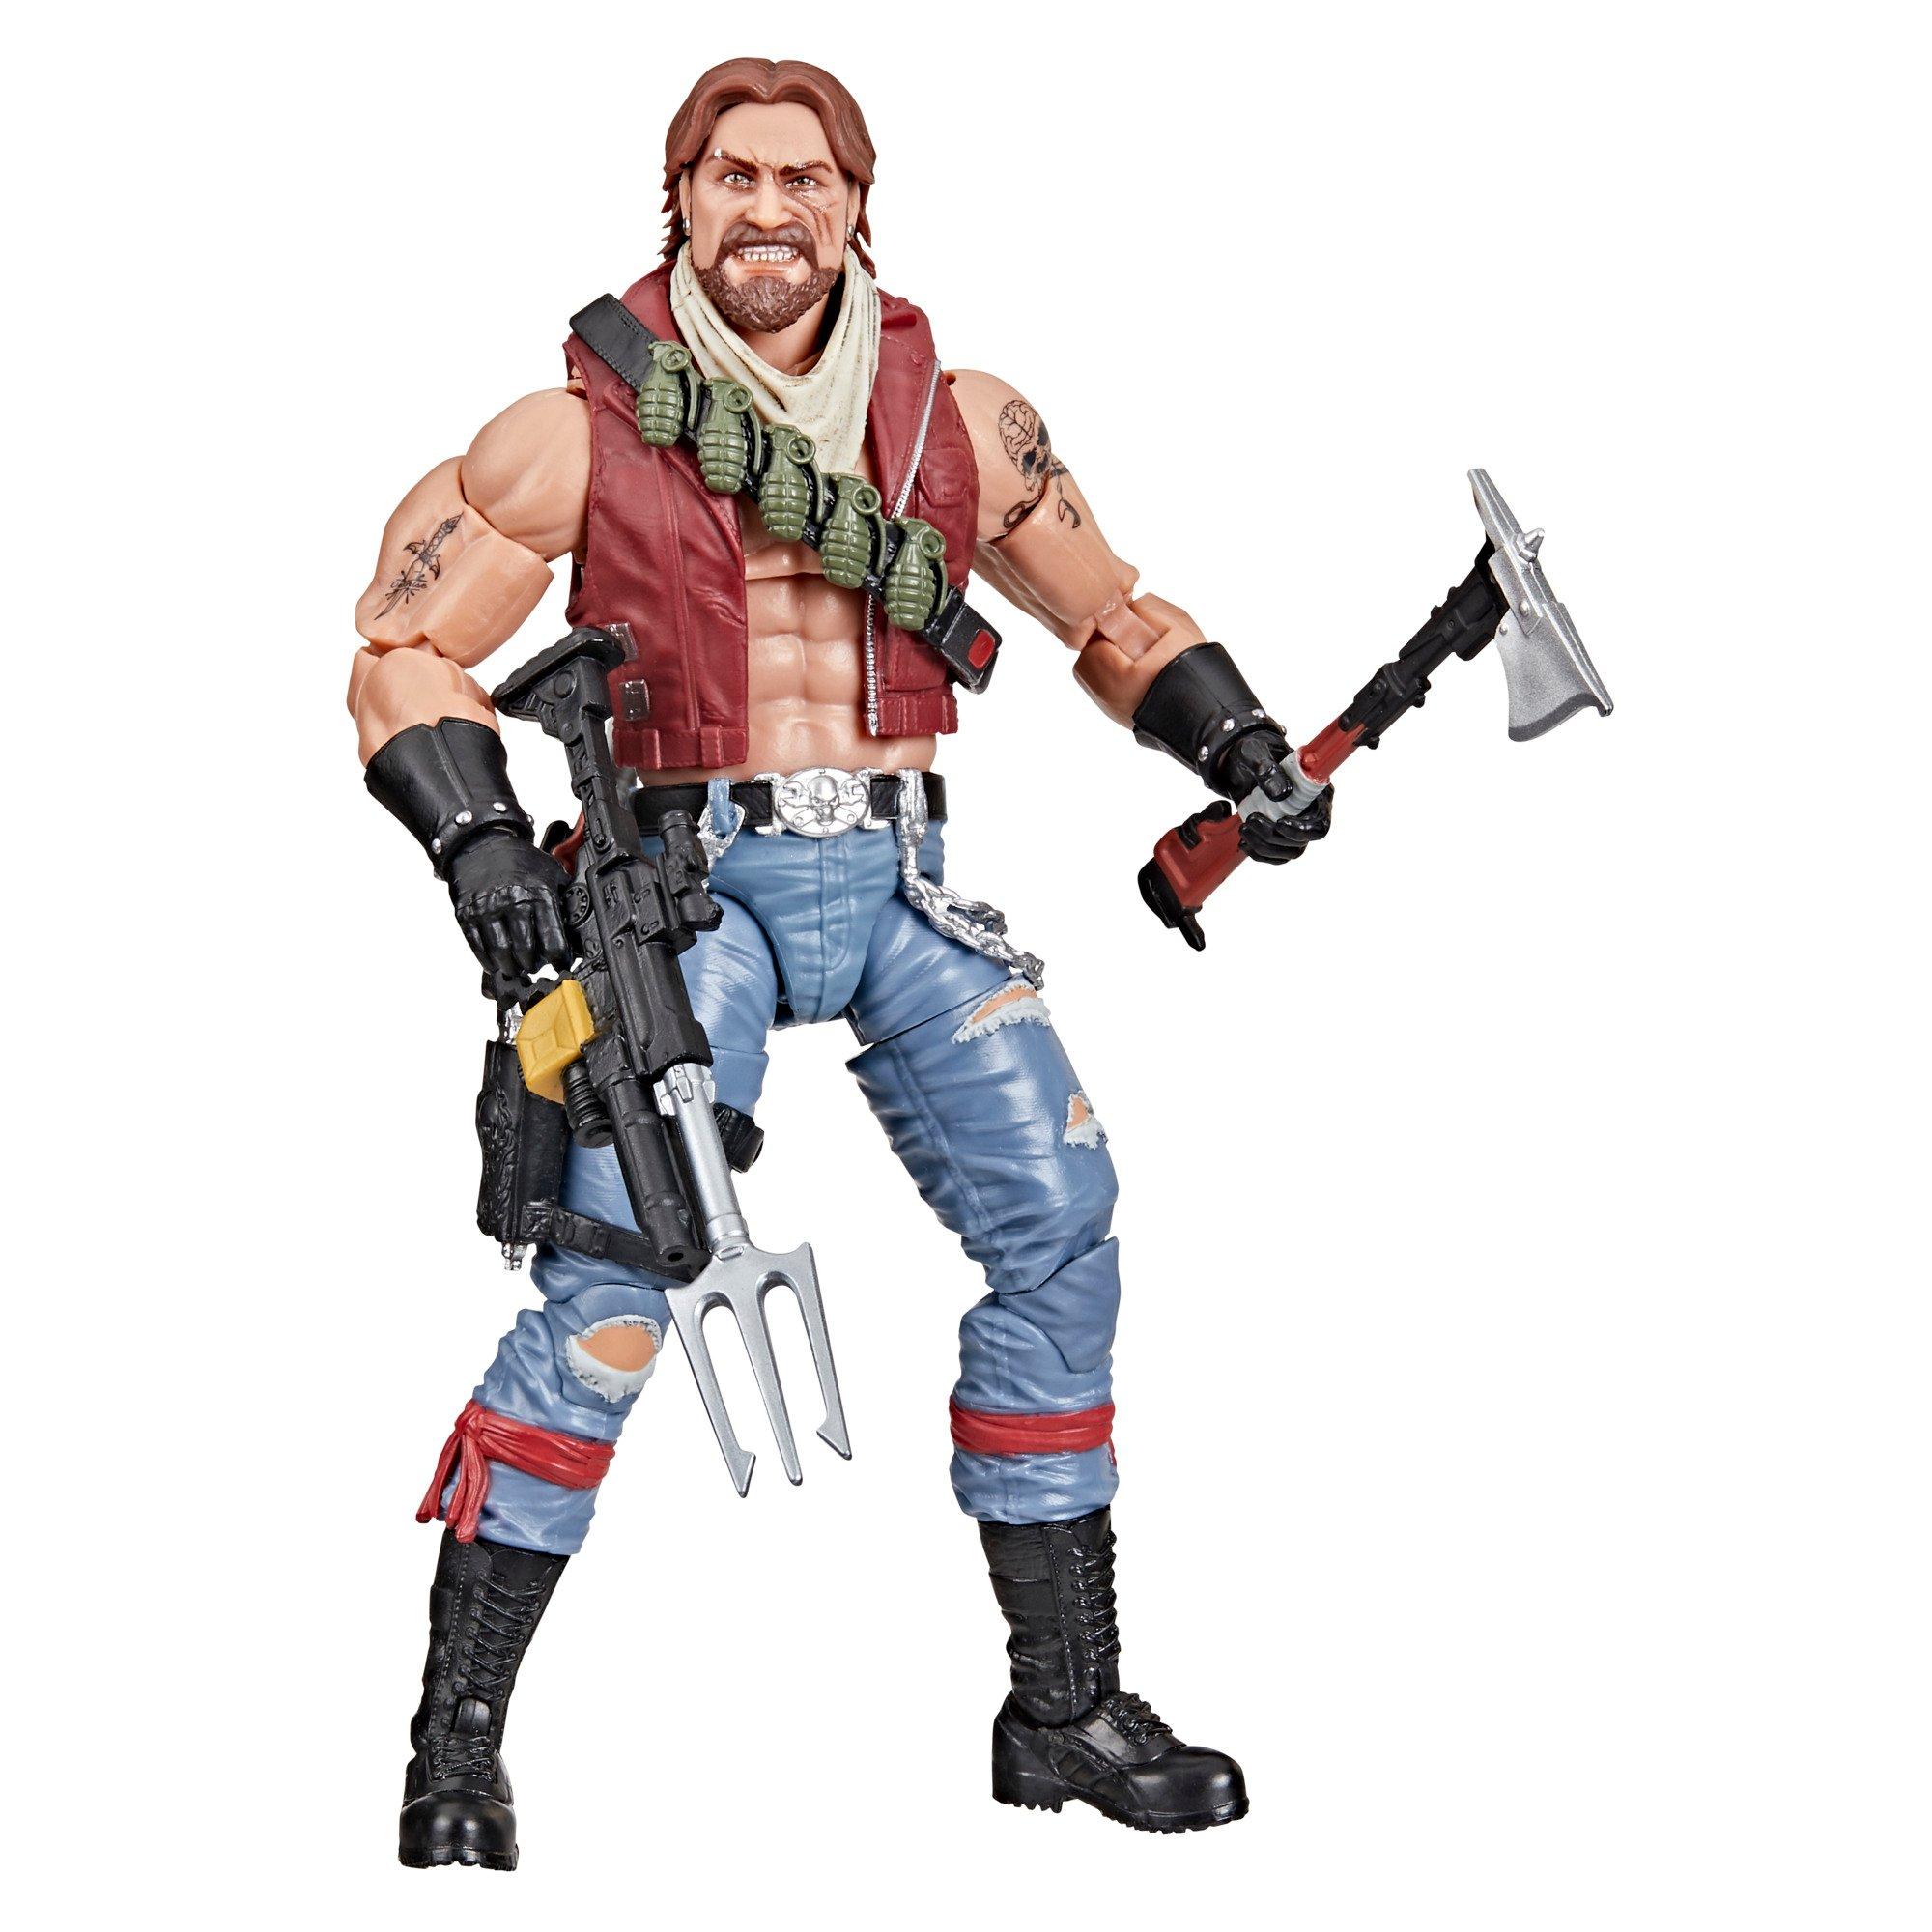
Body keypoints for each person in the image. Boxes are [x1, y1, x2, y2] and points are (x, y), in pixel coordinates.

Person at [353, 57, 1329, 1869]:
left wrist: (1238, 743)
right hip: (686, 895)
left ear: (857, 204)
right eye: (732, 175)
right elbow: (401, 647)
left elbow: (1109, 614)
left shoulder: (964, 420)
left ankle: (1064, 1708)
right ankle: (457, 1739)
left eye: (803, 178)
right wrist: (479, 841)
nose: (768, 210)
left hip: (894, 882)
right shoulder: (573, 429)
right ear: (680, 198)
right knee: (613, 1290)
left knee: (1064, 1233)